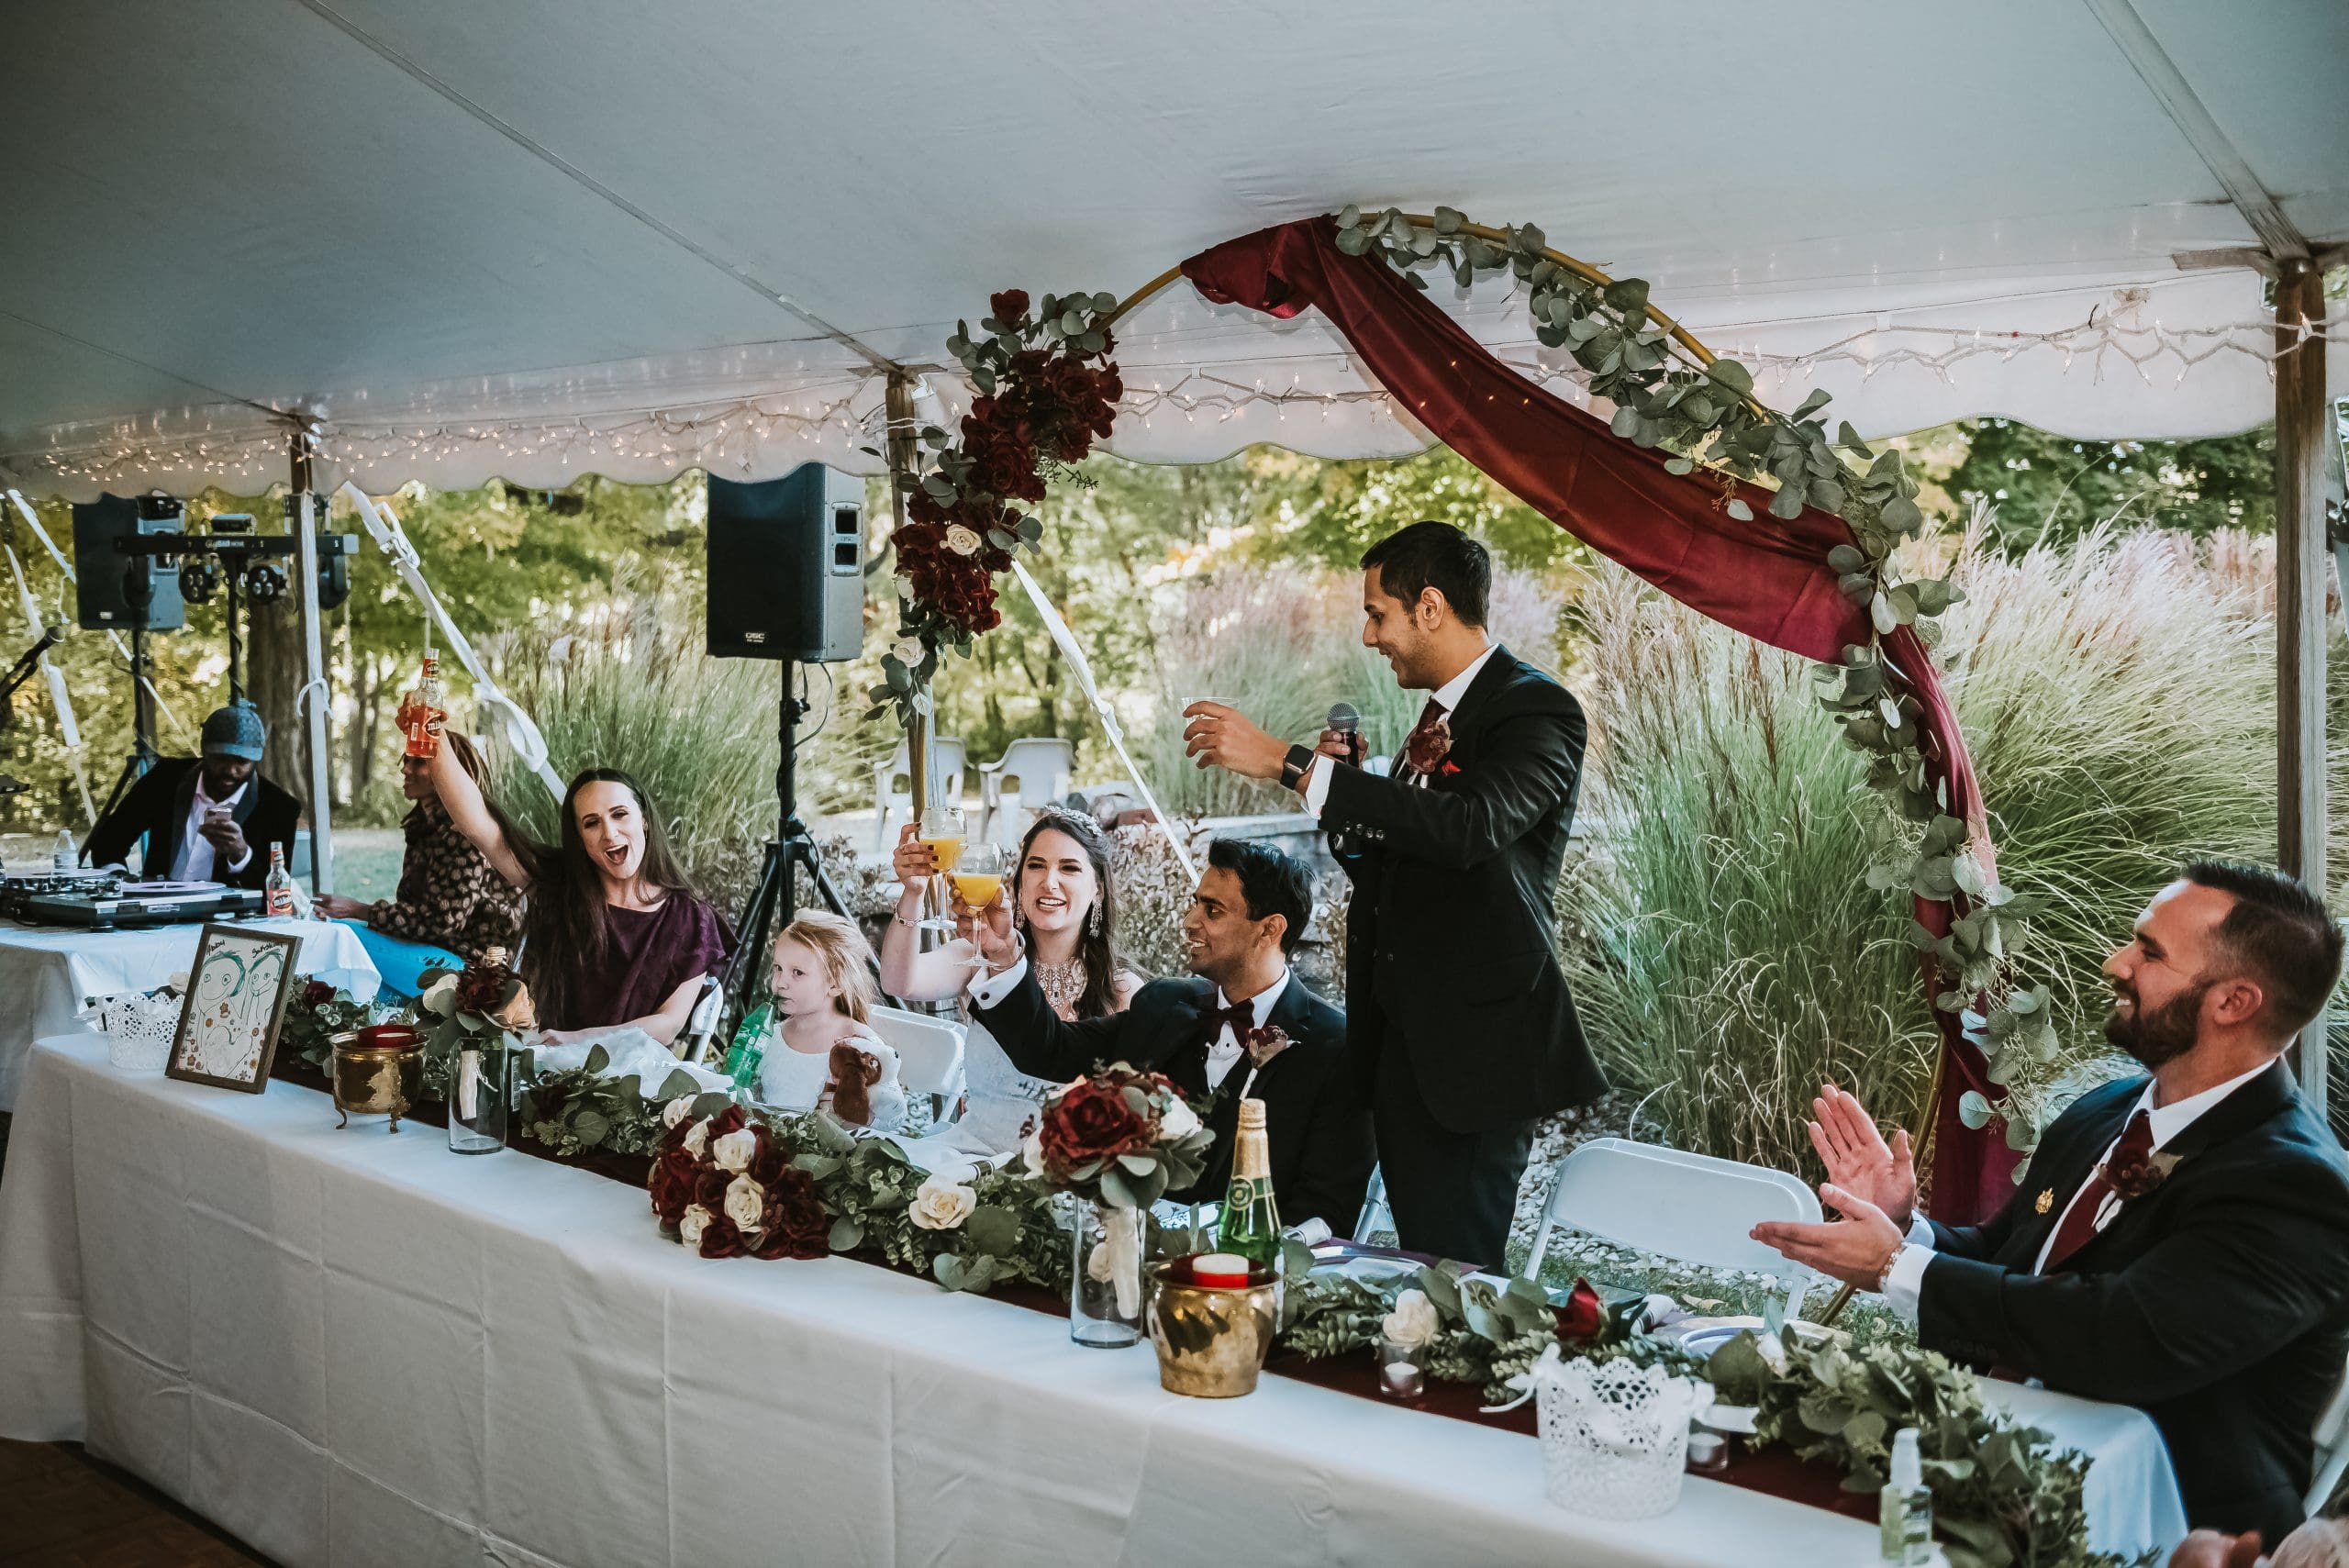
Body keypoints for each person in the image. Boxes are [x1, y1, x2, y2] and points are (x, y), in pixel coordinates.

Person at [1751, 861, 2349, 1546]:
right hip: (1990, 1471)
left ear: (2233, 1001)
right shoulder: (2111, 1108)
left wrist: (1897, 1268)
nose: (2115, 962)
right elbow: (2008, 1261)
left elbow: (2119, 1337)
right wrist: (1905, 1229)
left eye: (2150, 952)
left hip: (2159, 1528)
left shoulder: (2297, 1188)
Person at [1181, 519, 1602, 1264]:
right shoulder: (1436, 717)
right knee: (1418, 1262)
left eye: (1378, 613)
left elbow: (1470, 827)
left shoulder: (1538, 710)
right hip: (1404, 1050)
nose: (1369, 636)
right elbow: (1410, 869)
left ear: (1430, 607)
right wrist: (1346, 804)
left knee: (1455, 1274)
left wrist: (1292, 762)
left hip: (1472, 1061)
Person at [964, 836, 1374, 1235]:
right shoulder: (1164, 1004)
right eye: (1195, 903)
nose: (1190, 921)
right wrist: (1004, 956)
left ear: (1269, 929)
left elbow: (1326, 1209)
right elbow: (1050, 1050)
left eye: (1212, 910)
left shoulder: (1335, 1046)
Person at [429, 742, 730, 1046]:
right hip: (551, 1070)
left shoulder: (693, 918)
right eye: (591, 823)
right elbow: (479, 827)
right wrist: (433, 733)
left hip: (636, 1077)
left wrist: (575, 1040)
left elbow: (668, 1023)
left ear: (645, 820)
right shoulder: (559, 886)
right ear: (581, 839)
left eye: (620, 814)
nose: (609, 833)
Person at [880, 809, 1143, 1157]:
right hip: (972, 1155)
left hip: (1070, 1175)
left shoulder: (1123, 990)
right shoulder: (979, 959)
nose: (1049, 882)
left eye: (1069, 868)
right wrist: (914, 893)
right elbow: (901, 981)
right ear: (1018, 883)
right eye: (1036, 866)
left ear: (1098, 889)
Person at [313, 731, 523, 994]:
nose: (405, 768)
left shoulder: (463, 834)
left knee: (341, 936)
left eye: (419, 762)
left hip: (471, 970)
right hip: (432, 956)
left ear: (448, 772)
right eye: (406, 760)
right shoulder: (425, 829)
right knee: (358, 987)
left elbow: (444, 920)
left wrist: (360, 911)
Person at [82, 700, 300, 891]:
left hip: (226, 924)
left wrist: (241, 855)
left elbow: (275, 895)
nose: (230, 770)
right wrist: (122, 883)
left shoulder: (279, 807)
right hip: (157, 917)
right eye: (220, 759)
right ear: (204, 750)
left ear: (255, 761)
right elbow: (107, 842)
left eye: (242, 762)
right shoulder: (165, 779)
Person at [738, 913, 907, 1132]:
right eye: (778, 968)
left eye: (797, 973)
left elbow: (895, 1116)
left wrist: (861, 1118)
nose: (780, 982)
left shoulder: (859, 1044)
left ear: (835, 984)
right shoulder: (771, 1036)